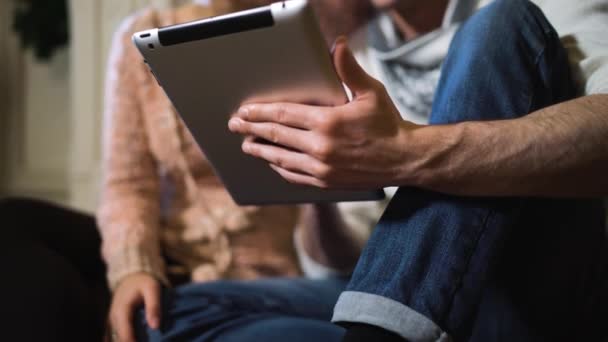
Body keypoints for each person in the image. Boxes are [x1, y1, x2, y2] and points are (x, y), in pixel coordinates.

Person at [0, 1, 381, 342]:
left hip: (266, 278)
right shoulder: (144, 34)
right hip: (168, 260)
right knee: (14, 225)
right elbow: (128, 184)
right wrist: (133, 269)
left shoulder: (315, 28)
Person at [229, 0, 608, 341]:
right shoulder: (354, 53)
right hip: (410, 296)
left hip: (535, 284)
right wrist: (312, 173)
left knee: (496, 25)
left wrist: (404, 153)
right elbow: (335, 270)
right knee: (191, 312)